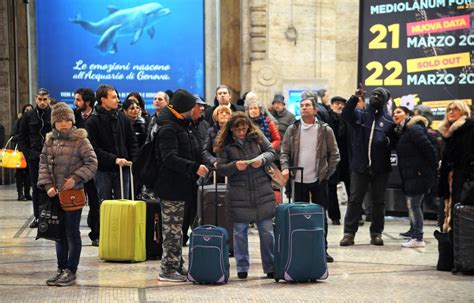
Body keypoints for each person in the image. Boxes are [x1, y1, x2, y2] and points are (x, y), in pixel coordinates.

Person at [37, 102, 97, 286]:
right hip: (54, 195)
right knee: (58, 233)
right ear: (54, 122)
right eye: (59, 120)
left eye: (66, 120)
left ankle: (71, 270)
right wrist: (47, 185)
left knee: (72, 233)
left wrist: (76, 178)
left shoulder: (81, 140)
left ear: (72, 121)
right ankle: (61, 268)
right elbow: (43, 165)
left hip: (73, 195)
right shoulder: (49, 141)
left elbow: (92, 163)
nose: (63, 124)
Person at [153, 89, 209, 282]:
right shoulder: (169, 129)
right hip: (172, 188)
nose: (198, 110)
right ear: (186, 108)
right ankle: (167, 269)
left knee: (179, 229)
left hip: (184, 187)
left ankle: (176, 264)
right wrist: (194, 168)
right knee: (172, 231)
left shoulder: (183, 126)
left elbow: (192, 151)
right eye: (195, 106)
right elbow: (169, 158)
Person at [214, 112, 276, 279]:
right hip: (238, 193)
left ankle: (270, 266)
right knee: (240, 232)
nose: (241, 132)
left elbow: (271, 151)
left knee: (267, 231)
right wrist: (235, 166)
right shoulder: (225, 144)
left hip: (261, 190)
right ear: (231, 129)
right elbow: (220, 167)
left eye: (244, 128)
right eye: (237, 130)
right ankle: (242, 267)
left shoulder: (257, 136)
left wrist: (262, 160)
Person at [280, 97, 340, 262]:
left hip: (319, 180)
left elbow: (335, 155)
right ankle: (301, 248)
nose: (304, 108)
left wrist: (326, 174)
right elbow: (284, 152)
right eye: (302, 106)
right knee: (299, 216)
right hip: (298, 180)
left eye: (307, 105)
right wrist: (286, 168)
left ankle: (322, 249)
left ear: (315, 110)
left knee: (320, 215)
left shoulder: (325, 130)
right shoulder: (293, 129)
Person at [340, 86, 395, 247]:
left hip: (381, 168)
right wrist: (354, 98)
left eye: (380, 95)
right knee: (355, 200)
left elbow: (395, 142)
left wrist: (388, 141)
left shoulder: (389, 121)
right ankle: (348, 233)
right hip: (360, 166)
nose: (376, 97)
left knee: (378, 202)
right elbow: (345, 114)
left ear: (385, 101)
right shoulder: (361, 114)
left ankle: (376, 233)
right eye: (374, 94)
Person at [392, 106, 437, 248]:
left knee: (414, 205)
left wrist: (427, 170)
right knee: (413, 205)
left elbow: (429, 149)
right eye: (394, 113)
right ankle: (414, 232)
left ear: (408, 114)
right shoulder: (404, 130)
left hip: (418, 175)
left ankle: (418, 238)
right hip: (411, 175)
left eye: (399, 112)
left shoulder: (414, 129)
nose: (395, 114)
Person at [85, 84, 138, 202]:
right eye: (114, 97)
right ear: (103, 100)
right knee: (105, 206)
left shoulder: (122, 117)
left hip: (123, 168)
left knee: (124, 205)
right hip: (103, 170)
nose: (118, 100)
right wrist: (114, 159)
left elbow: (132, 141)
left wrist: (134, 160)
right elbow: (93, 149)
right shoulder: (92, 121)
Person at [437, 101, 474, 269]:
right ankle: (453, 257)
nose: (451, 112)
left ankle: (463, 258)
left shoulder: (468, 128)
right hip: (449, 180)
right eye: (448, 109)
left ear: (463, 111)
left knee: (460, 216)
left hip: (463, 180)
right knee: (447, 215)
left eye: (455, 109)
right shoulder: (447, 132)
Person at [18, 88, 52, 228]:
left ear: (49, 99)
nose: (42, 102)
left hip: (51, 157)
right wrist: (27, 153)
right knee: (36, 187)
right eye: (40, 99)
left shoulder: (54, 113)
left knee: (51, 186)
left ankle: (51, 216)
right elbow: (22, 136)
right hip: (34, 156)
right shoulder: (28, 115)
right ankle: (38, 217)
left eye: (45, 99)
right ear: (36, 99)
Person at [73, 88, 101, 246]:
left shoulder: (97, 117)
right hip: (77, 165)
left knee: (95, 201)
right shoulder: (74, 116)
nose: (76, 103)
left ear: (88, 102)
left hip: (93, 164)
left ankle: (95, 233)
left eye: (78, 100)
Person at [327, 96, 349, 225]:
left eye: (342, 104)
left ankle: (355, 215)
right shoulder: (327, 118)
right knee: (331, 188)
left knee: (351, 187)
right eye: (336, 104)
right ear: (331, 105)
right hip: (332, 158)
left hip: (347, 158)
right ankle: (335, 216)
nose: (339, 106)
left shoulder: (347, 118)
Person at [11, 104, 34, 201]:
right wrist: (22, 135)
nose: (28, 112)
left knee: (29, 173)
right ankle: (20, 194)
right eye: (26, 110)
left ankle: (27, 193)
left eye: (30, 110)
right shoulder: (18, 121)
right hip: (20, 151)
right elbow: (13, 136)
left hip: (30, 151)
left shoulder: (34, 122)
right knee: (20, 173)